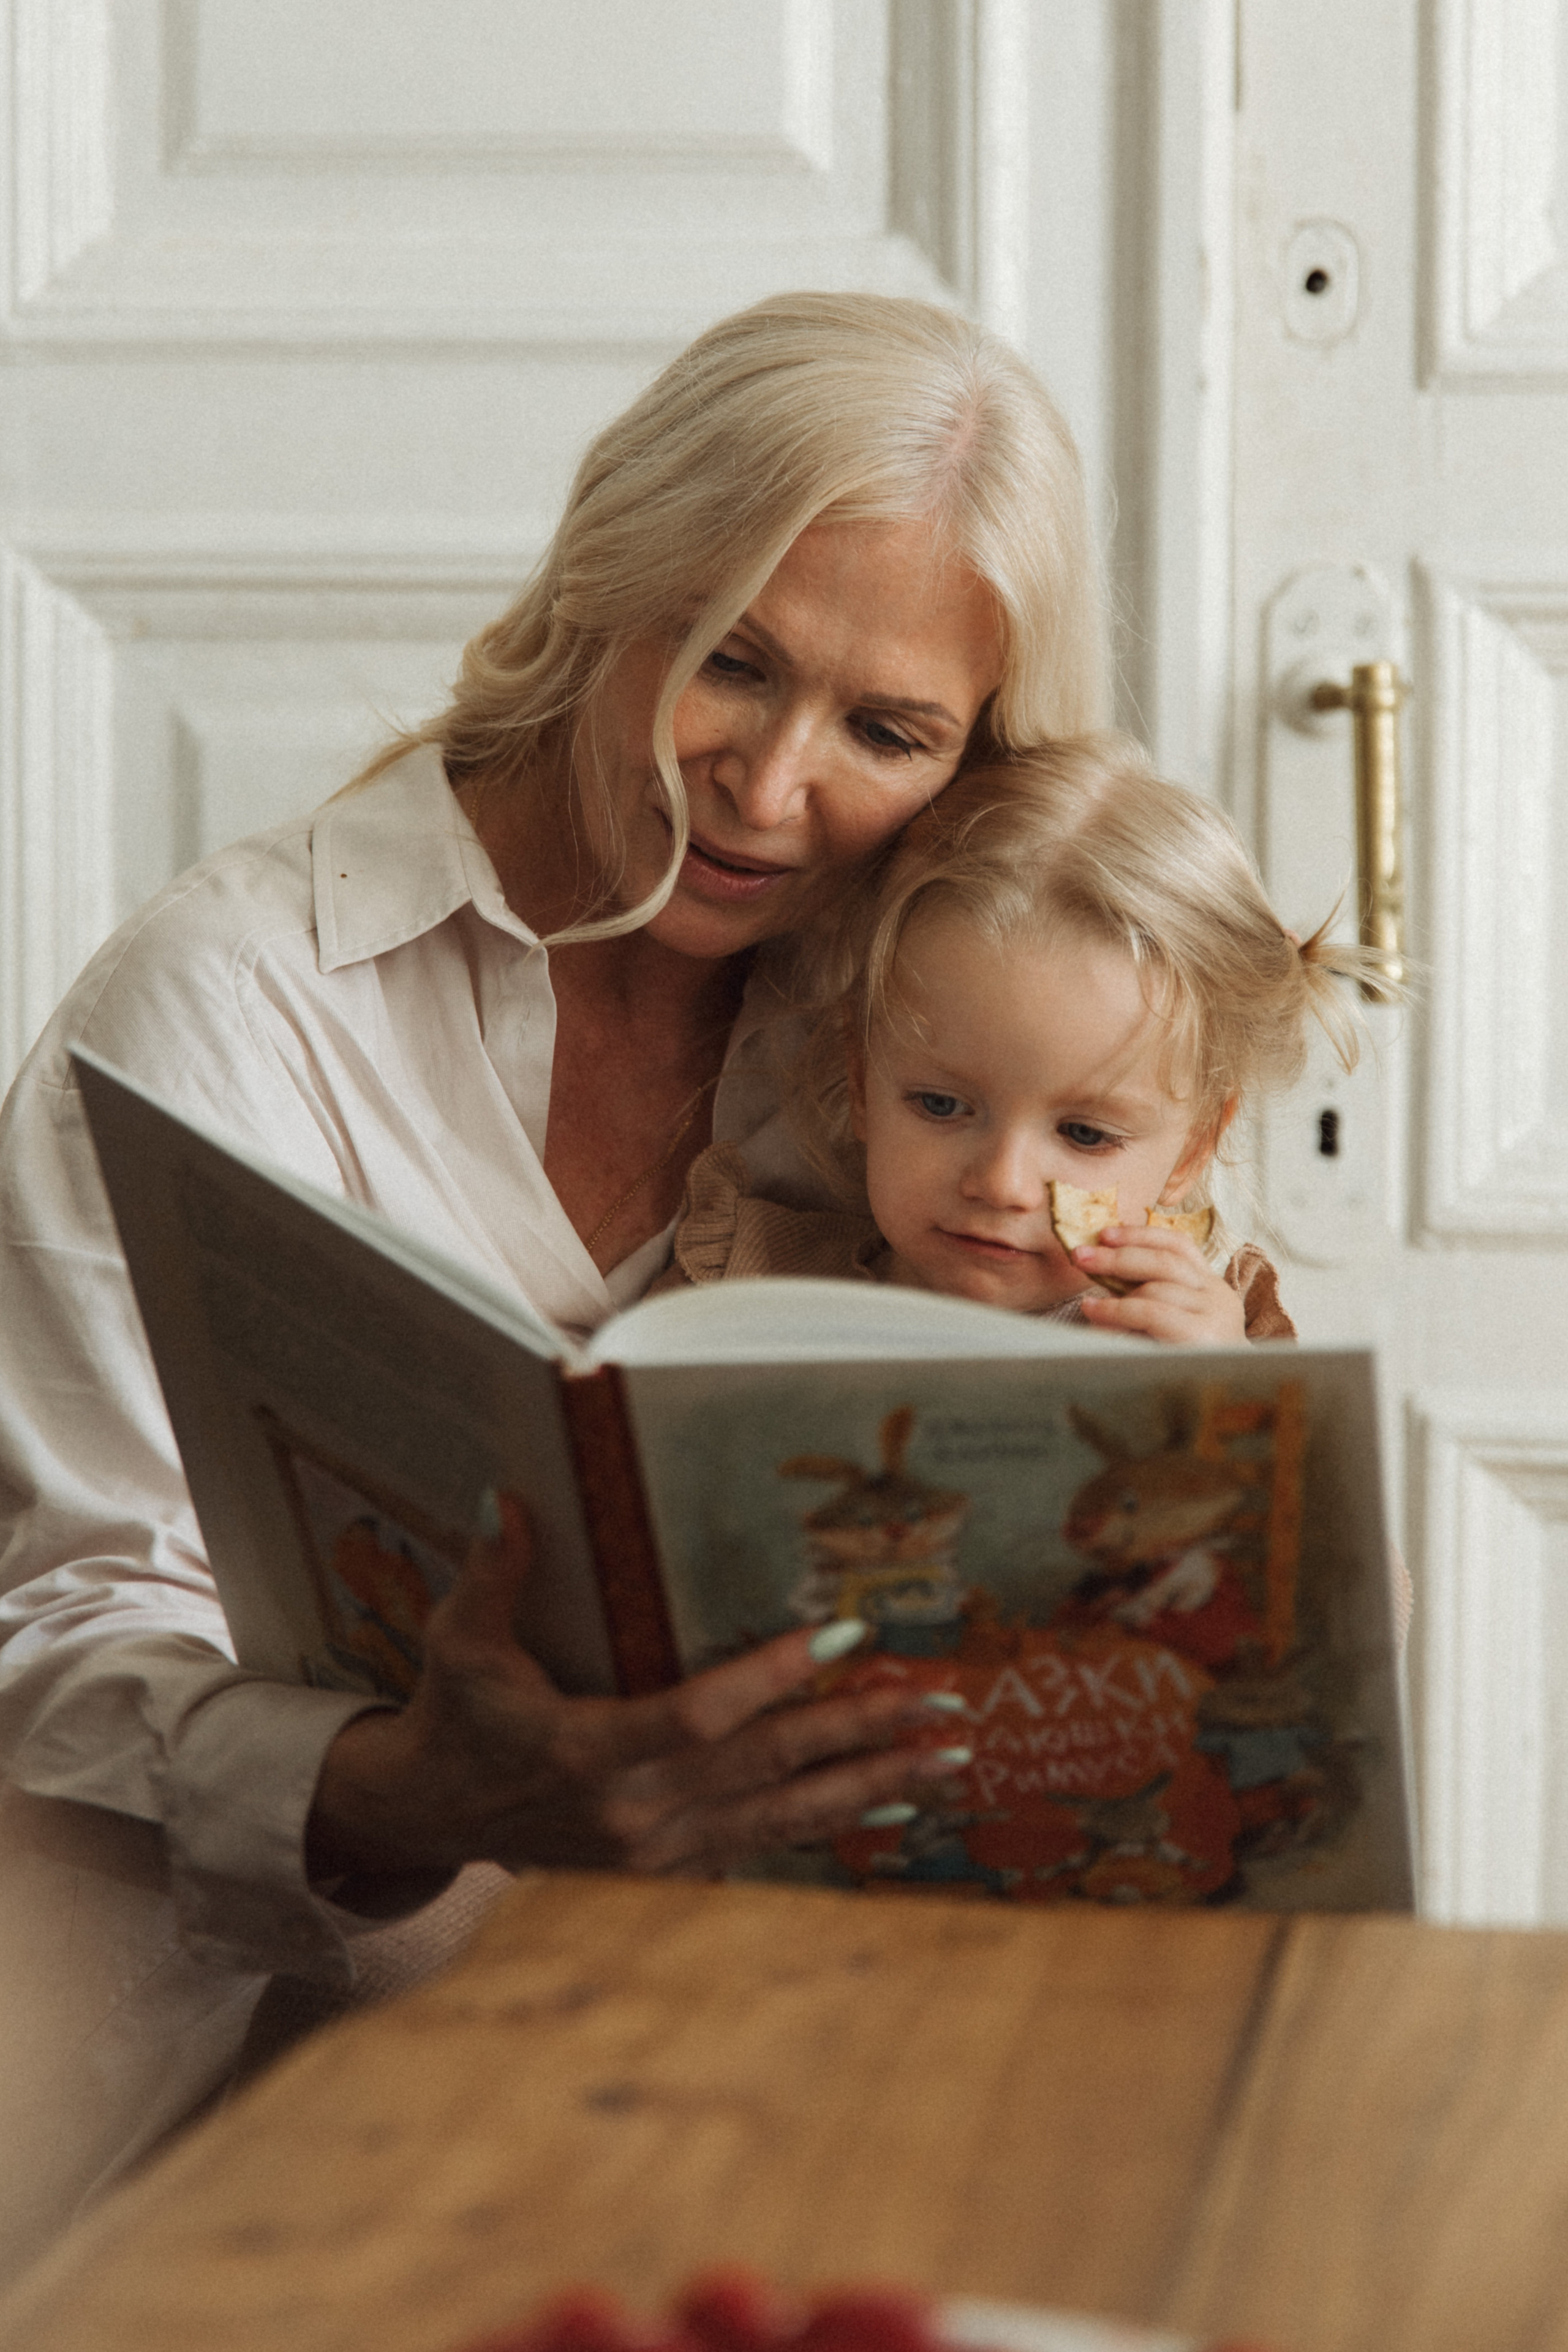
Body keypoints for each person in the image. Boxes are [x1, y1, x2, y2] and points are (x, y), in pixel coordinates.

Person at [0, 292, 1107, 2276]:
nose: (769, 790)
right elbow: (65, 1621)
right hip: (262, 2091)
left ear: (971, 758)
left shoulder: (954, 1053)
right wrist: (394, 1788)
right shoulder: (229, 1001)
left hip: (803, 2077)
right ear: (609, 581)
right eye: (728, 662)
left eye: (886, 729)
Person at [658, 734, 1375, 1341]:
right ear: (860, 1081)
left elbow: (1302, 1509)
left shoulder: (1202, 1340)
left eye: (1085, 1136)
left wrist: (1219, 1405)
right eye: (940, 1106)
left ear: (1191, 1147)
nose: (1001, 1184)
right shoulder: (748, 1287)